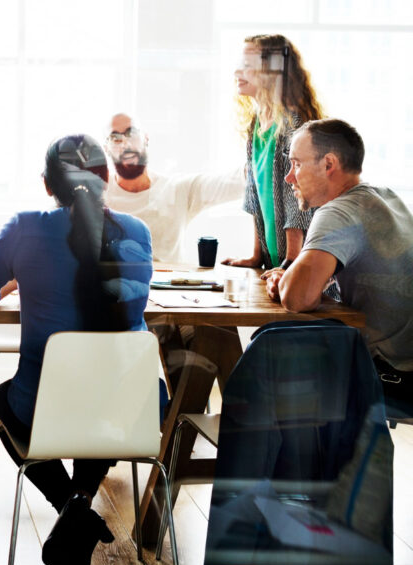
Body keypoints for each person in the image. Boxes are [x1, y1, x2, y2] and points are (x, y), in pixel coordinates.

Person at [0, 134, 154, 565]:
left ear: (48, 185)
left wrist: (14, 280)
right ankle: (80, 502)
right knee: (102, 393)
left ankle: (69, 504)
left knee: (1, 401)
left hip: (47, 408)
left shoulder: (26, 227)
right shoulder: (137, 231)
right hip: (130, 409)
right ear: (107, 179)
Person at [265, 118, 413, 407]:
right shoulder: (387, 198)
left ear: (328, 164)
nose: (289, 178)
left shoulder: (338, 212)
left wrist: (286, 281)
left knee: (272, 343)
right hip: (407, 365)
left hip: (392, 376)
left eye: (296, 164)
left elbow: (298, 298)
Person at [223, 34, 324, 271]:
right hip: (274, 261)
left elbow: (298, 196)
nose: (238, 72)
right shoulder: (256, 124)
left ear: (273, 71)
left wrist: (291, 261)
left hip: (300, 264)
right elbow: (253, 192)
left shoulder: (293, 125)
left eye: (247, 66)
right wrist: (257, 257)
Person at [103, 112, 244, 263]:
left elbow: (236, 181)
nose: (126, 144)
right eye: (115, 138)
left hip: (168, 284)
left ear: (145, 138)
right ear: (106, 149)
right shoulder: (94, 194)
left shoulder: (176, 190)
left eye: (132, 133)